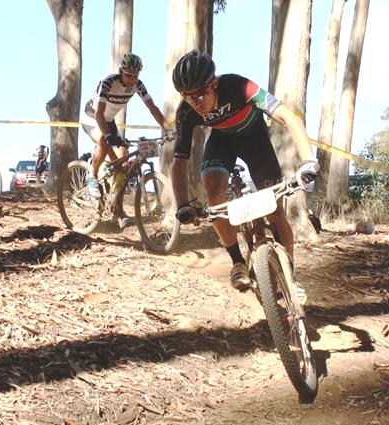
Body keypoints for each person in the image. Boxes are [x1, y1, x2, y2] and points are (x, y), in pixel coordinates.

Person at [169, 50, 319, 296]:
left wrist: (309, 161)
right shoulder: (186, 112)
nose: (196, 102)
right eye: (187, 96)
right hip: (222, 142)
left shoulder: (239, 86)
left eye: (201, 94)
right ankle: (238, 261)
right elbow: (179, 162)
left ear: (214, 83)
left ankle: (290, 277)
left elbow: (288, 117)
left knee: (276, 214)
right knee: (214, 195)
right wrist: (183, 204)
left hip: (255, 139)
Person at [81, 53, 172, 200]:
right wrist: (108, 135)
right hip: (92, 118)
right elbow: (99, 113)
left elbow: (153, 108)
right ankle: (92, 176)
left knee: (122, 162)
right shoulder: (108, 83)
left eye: (136, 76)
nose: (132, 79)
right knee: (104, 142)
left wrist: (168, 129)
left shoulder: (138, 85)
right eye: (128, 75)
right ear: (120, 71)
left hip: (108, 120)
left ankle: (114, 202)